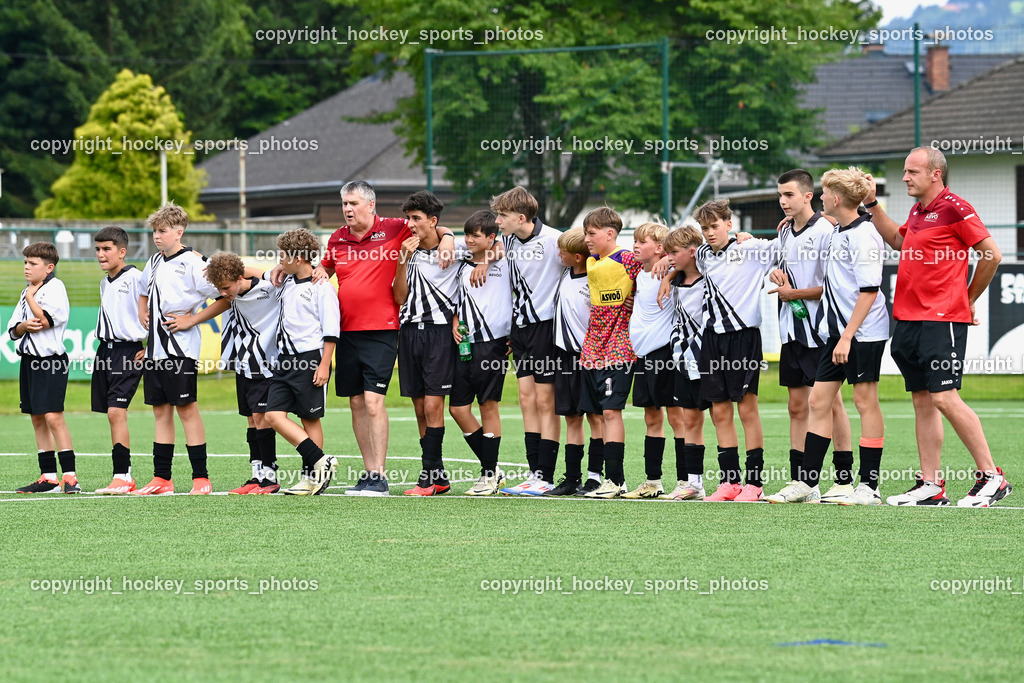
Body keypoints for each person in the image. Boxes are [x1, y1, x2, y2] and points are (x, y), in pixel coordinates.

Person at [864, 147, 1011, 507]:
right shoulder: (918, 210)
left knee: (945, 397)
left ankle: (993, 477)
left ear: (935, 174)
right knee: (923, 401)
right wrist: (872, 206)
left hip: (941, 318)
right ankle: (931, 485)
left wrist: (968, 298)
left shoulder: (955, 208)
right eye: (904, 171)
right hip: (909, 320)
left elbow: (991, 255)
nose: (904, 178)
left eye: (912, 172)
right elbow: (899, 242)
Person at [298, 181, 455, 496]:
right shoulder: (337, 238)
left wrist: (449, 238)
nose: (347, 209)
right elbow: (322, 269)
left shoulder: (396, 228)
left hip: (382, 329)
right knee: (356, 402)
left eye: (354, 203)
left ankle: (380, 477)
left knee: (373, 402)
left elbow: (432, 224)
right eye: (345, 203)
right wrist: (290, 268)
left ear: (371, 205)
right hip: (346, 332)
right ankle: (369, 473)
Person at [768, 167, 889, 505]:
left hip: (862, 334)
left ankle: (869, 487)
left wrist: (848, 336)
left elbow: (868, 291)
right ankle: (807, 483)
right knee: (818, 402)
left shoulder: (865, 236)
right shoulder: (838, 231)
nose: (820, 198)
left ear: (836, 199)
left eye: (824, 193)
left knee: (865, 402)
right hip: (836, 333)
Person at [166, 252, 282, 495]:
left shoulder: (269, 288)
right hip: (242, 362)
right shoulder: (229, 292)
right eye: (219, 288)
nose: (224, 293)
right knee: (251, 418)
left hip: (264, 364)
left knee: (262, 418)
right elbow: (208, 259)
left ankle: (270, 477)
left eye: (227, 287)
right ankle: (256, 474)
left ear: (240, 278)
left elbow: (281, 274)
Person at [692, 199, 779, 502]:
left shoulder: (750, 249)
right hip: (711, 339)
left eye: (714, 226)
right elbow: (677, 252)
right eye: (704, 228)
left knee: (747, 409)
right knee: (719, 410)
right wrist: (665, 266)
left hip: (743, 338)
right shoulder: (702, 254)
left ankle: (754, 483)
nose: (709, 232)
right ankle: (730, 482)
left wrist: (753, 240)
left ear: (729, 225)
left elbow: (786, 247)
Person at [134, 202, 219, 496]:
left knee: (186, 409)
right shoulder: (155, 261)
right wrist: (144, 309)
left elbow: (224, 296)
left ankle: (201, 478)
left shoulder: (194, 264)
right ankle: (162, 479)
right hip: (156, 352)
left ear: (179, 232)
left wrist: (191, 319)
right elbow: (143, 290)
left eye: (163, 231)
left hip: (180, 351)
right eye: (154, 231)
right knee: (160, 411)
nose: (157, 236)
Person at [489, 186, 564, 494]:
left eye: (502, 215)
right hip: (519, 331)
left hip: (546, 328)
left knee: (547, 402)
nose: (497, 221)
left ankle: (546, 476)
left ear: (521, 217)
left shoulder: (555, 240)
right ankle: (535, 473)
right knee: (525, 399)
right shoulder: (506, 241)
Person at [393, 191, 465, 496]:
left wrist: (448, 237)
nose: (410, 224)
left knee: (435, 405)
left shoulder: (456, 249)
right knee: (420, 407)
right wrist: (401, 261)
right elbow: (399, 298)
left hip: (439, 334)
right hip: (409, 332)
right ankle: (438, 476)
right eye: (408, 218)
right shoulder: (405, 251)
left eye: (416, 219)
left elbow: (496, 248)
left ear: (432, 221)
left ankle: (427, 477)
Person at [265, 229, 341, 496]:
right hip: (285, 361)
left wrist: (325, 365)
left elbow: (331, 330)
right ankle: (321, 460)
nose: (280, 259)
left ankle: (312, 478)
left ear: (298, 257)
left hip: (311, 360)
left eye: (284, 255)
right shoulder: (285, 281)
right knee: (273, 415)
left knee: (310, 419)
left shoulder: (322, 287)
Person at [579, 207, 642, 498]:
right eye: (585, 233)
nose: (587, 239)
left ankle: (616, 481)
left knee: (610, 411)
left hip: (619, 346)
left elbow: (659, 268)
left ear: (610, 234)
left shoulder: (627, 258)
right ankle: (602, 478)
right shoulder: (592, 261)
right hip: (593, 348)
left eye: (591, 234)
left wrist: (636, 299)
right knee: (598, 414)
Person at [449, 210, 512, 496]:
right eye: (468, 234)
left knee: (488, 405)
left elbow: (502, 246)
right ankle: (493, 468)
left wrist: (488, 260)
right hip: (465, 344)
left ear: (490, 237)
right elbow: (459, 301)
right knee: (458, 409)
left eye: (477, 235)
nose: (470, 240)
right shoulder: (461, 264)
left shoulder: (505, 259)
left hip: (494, 343)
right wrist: (454, 322)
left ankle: (488, 475)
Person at [10, 242, 78, 494]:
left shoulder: (55, 287)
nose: (27, 267)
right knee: (37, 417)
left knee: (52, 416)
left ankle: (70, 476)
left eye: (33, 263)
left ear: (49, 268)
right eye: (25, 262)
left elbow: (45, 321)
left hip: (50, 361)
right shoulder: (25, 291)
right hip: (29, 361)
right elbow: (14, 329)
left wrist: (31, 298)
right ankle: (48, 477)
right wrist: (22, 326)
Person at [544, 227, 605, 497]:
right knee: (571, 417)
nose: (558, 255)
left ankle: (595, 477)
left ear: (578, 257)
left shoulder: (595, 279)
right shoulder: (563, 274)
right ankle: (571, 478)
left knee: (595, 416)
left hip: (589, 356)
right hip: (564, 356)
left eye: (563, 252)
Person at [623, 222, 680, 499]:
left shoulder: (671, 269)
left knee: (676, 416)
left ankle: (687, 481)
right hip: (642, 354)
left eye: (641, 241)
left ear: (659, 248)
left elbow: (696, 256)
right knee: (651, 417)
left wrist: (671, 264)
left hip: (664, 352)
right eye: (634, 241)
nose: (635, 245)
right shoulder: (638, 273)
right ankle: (653, 481)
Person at [91, 227, 146, 494]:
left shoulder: (137, 278)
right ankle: (121, 476)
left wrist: (151, 346)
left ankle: (123, 476)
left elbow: (155, 312)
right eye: (98, 249)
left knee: (116, 411)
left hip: (129, 352)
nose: (100, 254)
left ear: (122, 252)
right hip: (105, 352)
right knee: (110, 413)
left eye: (107, 249)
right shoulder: (104, 282)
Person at [659, 226, 710, 500]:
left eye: (674, 253)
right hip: (682, 358)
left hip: (709, 358)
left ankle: (733, 481)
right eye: (666, 253)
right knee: (690, 419)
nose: (669, 257)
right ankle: (694, 483)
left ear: (693, 252)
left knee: (720, 416)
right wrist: (669, 272)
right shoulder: (676, 281)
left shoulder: (712, 276)